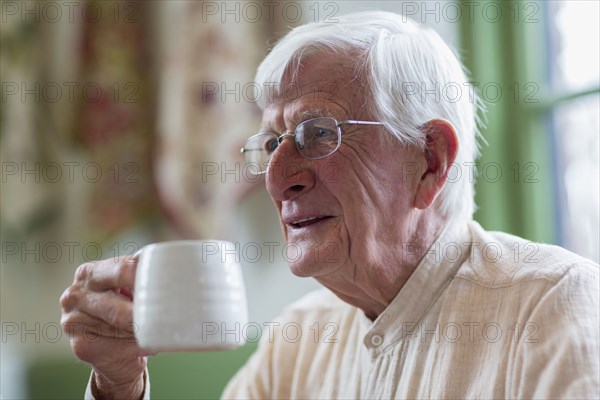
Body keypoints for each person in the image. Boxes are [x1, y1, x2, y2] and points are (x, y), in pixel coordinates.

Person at [60, 11, 600, 399]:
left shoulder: (554, 309)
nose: (276, 178)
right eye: (272, 142)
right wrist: (119, 382)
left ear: (431, 160)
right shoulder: (296, 341)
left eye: (318, 133)